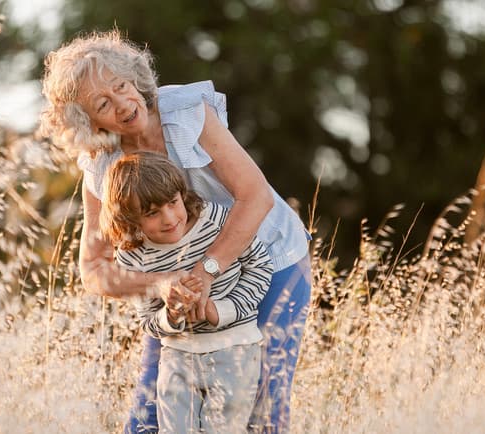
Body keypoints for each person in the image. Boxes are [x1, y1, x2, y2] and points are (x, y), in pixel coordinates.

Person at [38, 30, 312, 433]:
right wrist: (162, 284)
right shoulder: (101, 165)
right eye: (103, 103)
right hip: (181, 287)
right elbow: (94, 268)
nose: (124, 104)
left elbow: (255, 197)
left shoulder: (186, 114)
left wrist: (206, 272)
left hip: (268, 262)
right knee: (151, 415)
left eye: (122, 86)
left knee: (262, 408)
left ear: (134, 79)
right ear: (89, 122)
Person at [100, 152, 272, 434]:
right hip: (178, 356)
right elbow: (147, 321)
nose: (169, 218)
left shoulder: (215, 220)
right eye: (152, 213)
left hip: (235, 349)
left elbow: (260, 266)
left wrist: (223, 310)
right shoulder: (133, 257)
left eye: (173, 203)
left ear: (182, 194)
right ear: (130, 219)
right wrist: (171, 315)